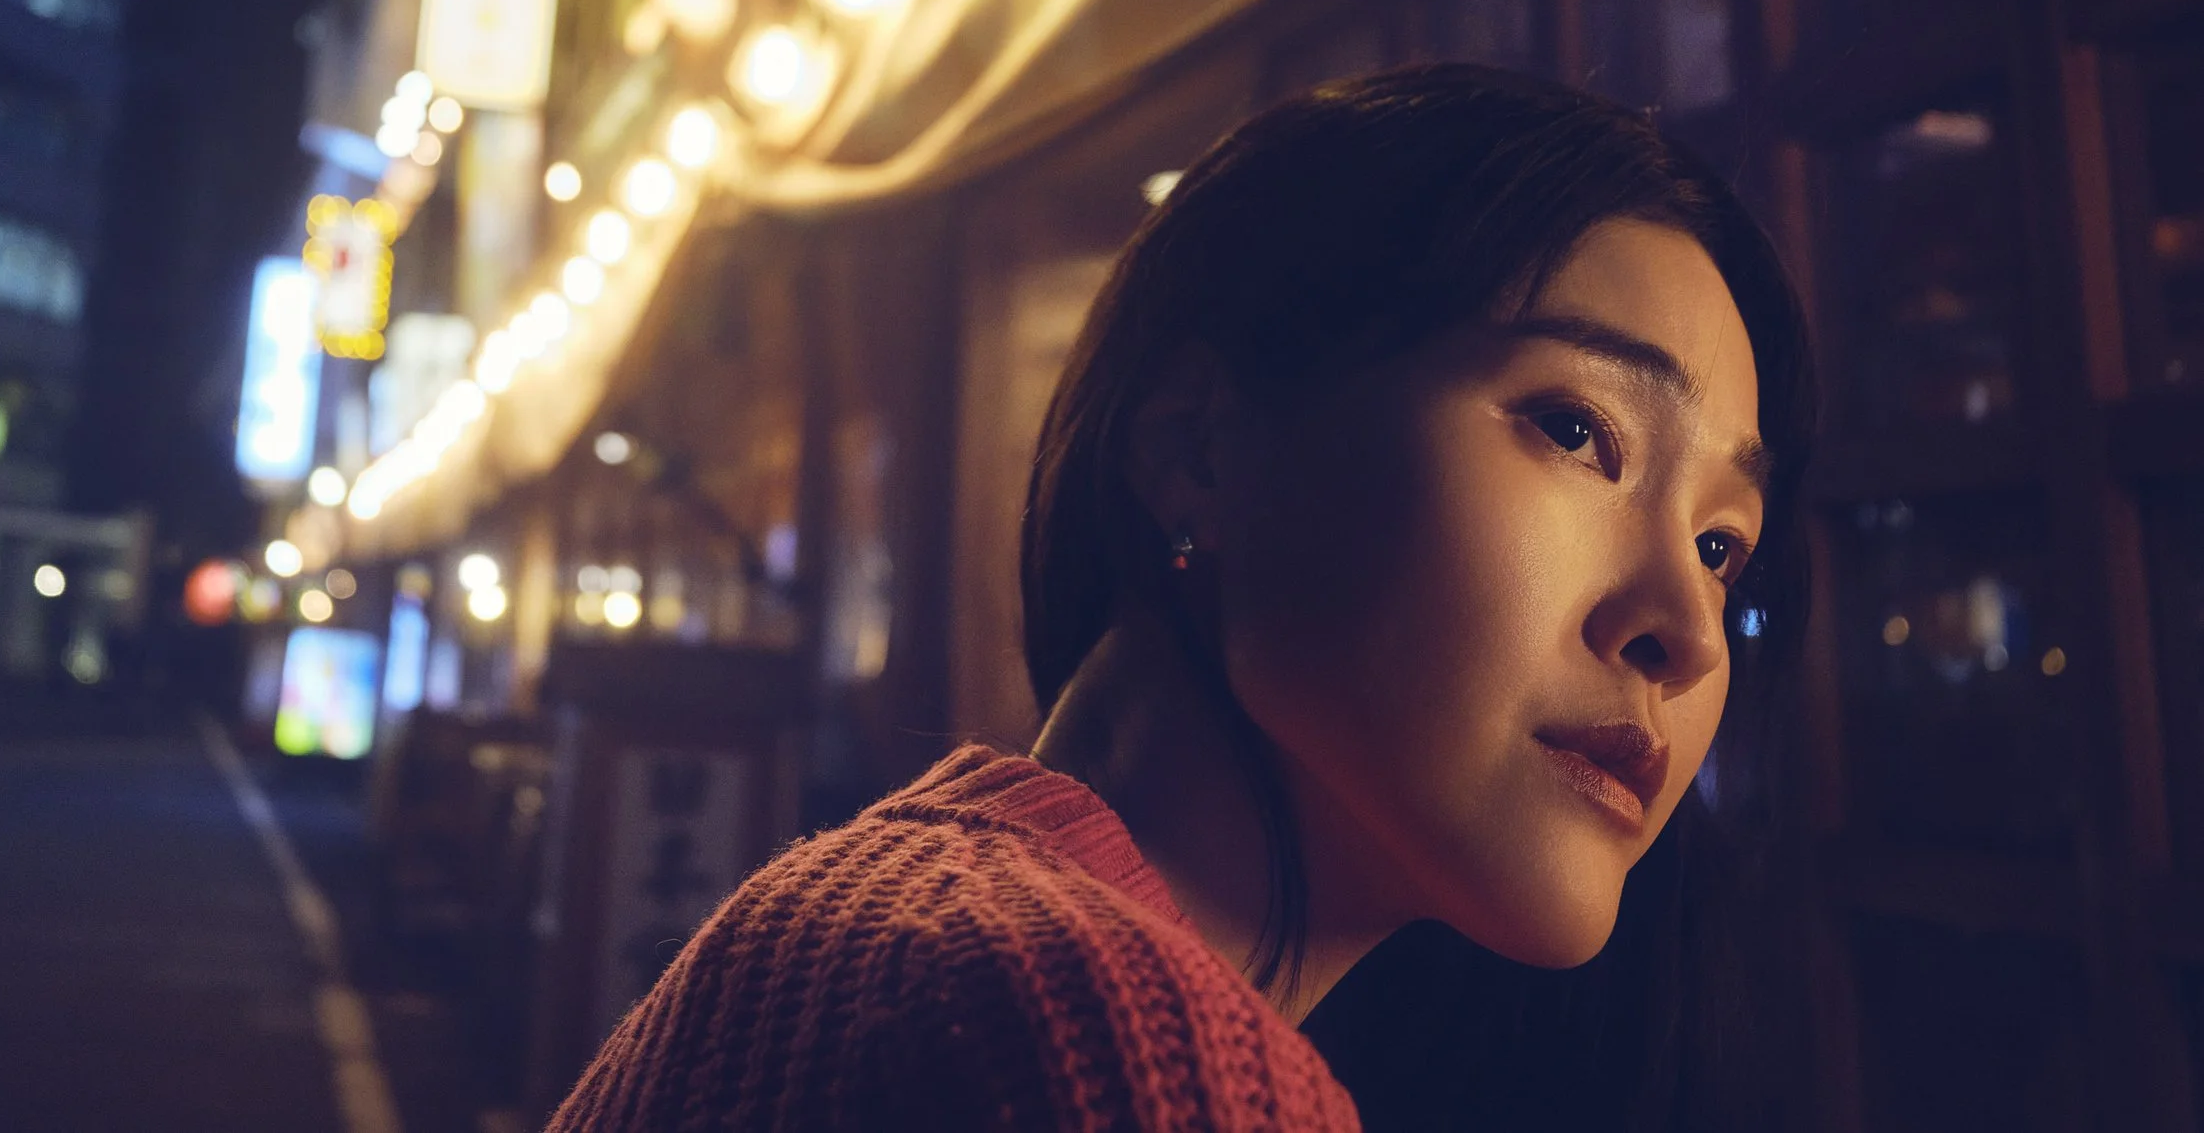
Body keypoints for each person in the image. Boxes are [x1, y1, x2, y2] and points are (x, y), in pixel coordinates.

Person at [547, 64, 1816, 1132]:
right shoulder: (1112, 1052)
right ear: (1198, 451)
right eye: (1576, 429)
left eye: (1721, 547)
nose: (1687, 630)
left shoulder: (861, 920)